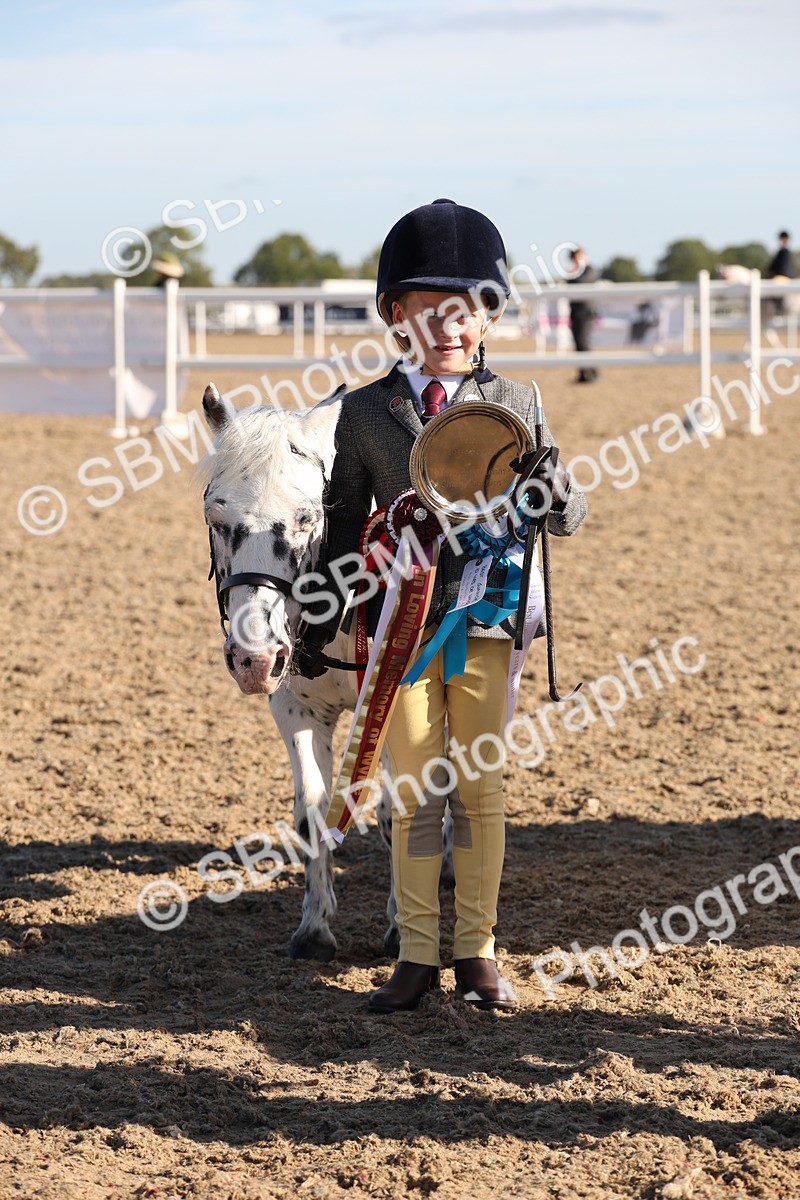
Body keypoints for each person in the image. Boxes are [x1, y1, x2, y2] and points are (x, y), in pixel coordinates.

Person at [302, 199, 587, 1014]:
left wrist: (553, 487)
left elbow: (565, 519)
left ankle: (479, 951)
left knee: (483, 788)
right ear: (397, 317)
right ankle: (418, 955)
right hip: (403, 629)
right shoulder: (363, 413)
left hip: (489, 625)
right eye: (430, 312)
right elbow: (341, 533)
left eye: (465, 310)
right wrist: (329, 618)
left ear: (488, 314)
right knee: (415, 791)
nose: (450, 327)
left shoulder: (518, 401)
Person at [567, 246, 598, 382]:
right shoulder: (576, 271)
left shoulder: (589, 270)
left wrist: (573, 272)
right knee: (578, 343)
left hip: (586, 312)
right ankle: (583, 373)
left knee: (584, 342)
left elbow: (582, 282)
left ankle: (593, 372)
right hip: (575, 312)